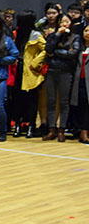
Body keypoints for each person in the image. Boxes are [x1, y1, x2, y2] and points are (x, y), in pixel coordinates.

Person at [42, 14, 80, 142]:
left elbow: (73, 54)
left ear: (70, 23)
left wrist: (55, 53)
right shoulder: (53, 36)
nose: (64, 24)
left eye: (67, 21)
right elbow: (48, 50)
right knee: (51, 101)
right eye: (62, 22)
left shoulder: (75, 37)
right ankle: (51, 129)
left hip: (66, 72)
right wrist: (58, 35)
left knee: (64, 102)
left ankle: (61, 130)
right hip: (51, 71)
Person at [71, 24, 89, 143]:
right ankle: (78, 129)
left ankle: (85, 131)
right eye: (86, 31)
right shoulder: (78, 47)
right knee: (79, 104)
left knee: (87, 105)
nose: (88, 33)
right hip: (78, 80)